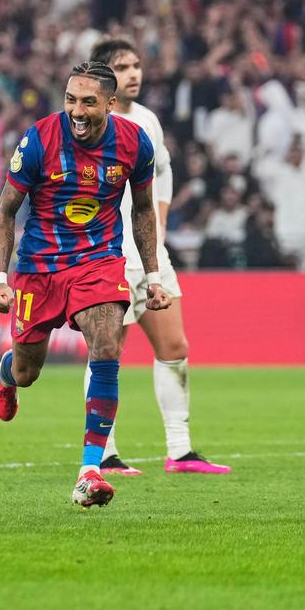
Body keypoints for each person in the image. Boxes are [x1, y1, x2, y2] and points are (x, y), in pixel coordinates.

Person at [0, 61, 170, 509]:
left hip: (99, 261)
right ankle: (5, 373)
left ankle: (90, 470)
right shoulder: (38, 139)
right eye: (71, 99)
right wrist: (0, 278)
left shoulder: (134, 142)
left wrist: (152, 276)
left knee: (107, 346)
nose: (77, 110)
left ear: (110, 104)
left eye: (88, 102)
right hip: (39, 267)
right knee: (28, 371)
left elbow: (143, 210)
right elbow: (6, 212)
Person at [83, 38, 231, 477]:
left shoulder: (147, 120)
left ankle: (180, 451)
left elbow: (162, 174)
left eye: (137, 65)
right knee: (107, 351)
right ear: (103, 78)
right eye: (123, 67)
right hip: (106, 252)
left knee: (174, 346)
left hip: (148, 253)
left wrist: (158, 226)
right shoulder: (88, 124)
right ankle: (104, 451)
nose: (135, 74)